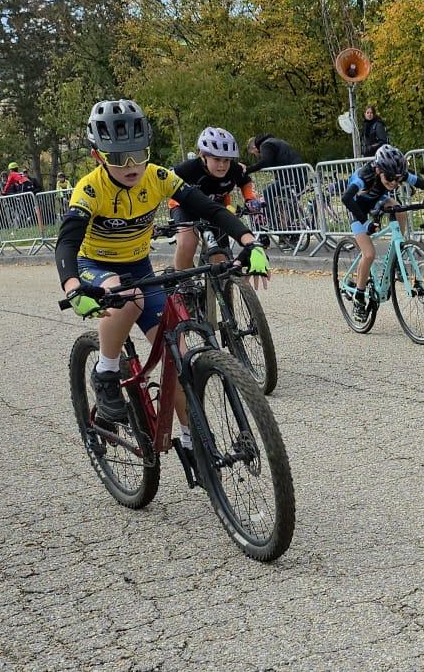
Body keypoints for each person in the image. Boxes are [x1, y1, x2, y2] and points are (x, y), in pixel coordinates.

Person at [56, 99, 268, 451]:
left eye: (138, 154)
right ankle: (107, 372)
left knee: (180, 357)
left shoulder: (157, 177)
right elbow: (67, 241)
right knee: (126, 296)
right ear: (98, 156)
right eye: (119, 157)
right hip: (95, 266)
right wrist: (72, 285)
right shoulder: (90, 189)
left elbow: (209, 208)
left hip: (139, 265)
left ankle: (191, 440)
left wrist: (249, 241)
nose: (131, 165)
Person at [341, 144, 424, 321]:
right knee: (369, 254)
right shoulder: (364, 176)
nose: (394, 182)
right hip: (357, 208)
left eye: (399, 179)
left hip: (378, 200)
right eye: (390, 178)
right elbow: (346, 198)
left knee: (399, 210)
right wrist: (366, 222)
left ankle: (398, 253)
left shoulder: (395, 172)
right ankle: (359, 297)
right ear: (378, 170)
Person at [170, 126, 264, 270]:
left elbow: (245, 182)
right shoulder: (189, 168)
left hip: (215, 210)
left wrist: (250, 199)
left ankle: (221, 289)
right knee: (187, 242)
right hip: (184, 207)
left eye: (226, 160)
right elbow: (162, 182)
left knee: (222, 258)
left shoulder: (234, 169)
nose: (222, 165)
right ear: (203, 156)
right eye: (216, 159)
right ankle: (184, 285)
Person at [244, 134, 307, 234]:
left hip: (290, 178)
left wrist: (248, 170)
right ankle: (291, 232)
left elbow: (265, 162)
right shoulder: (275, 141)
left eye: (254, 153)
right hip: (299, 176)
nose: (257, 155)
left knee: (267, 192)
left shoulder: (265, 145)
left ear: (254, 147)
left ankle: (273, 222)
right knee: (288, 204)